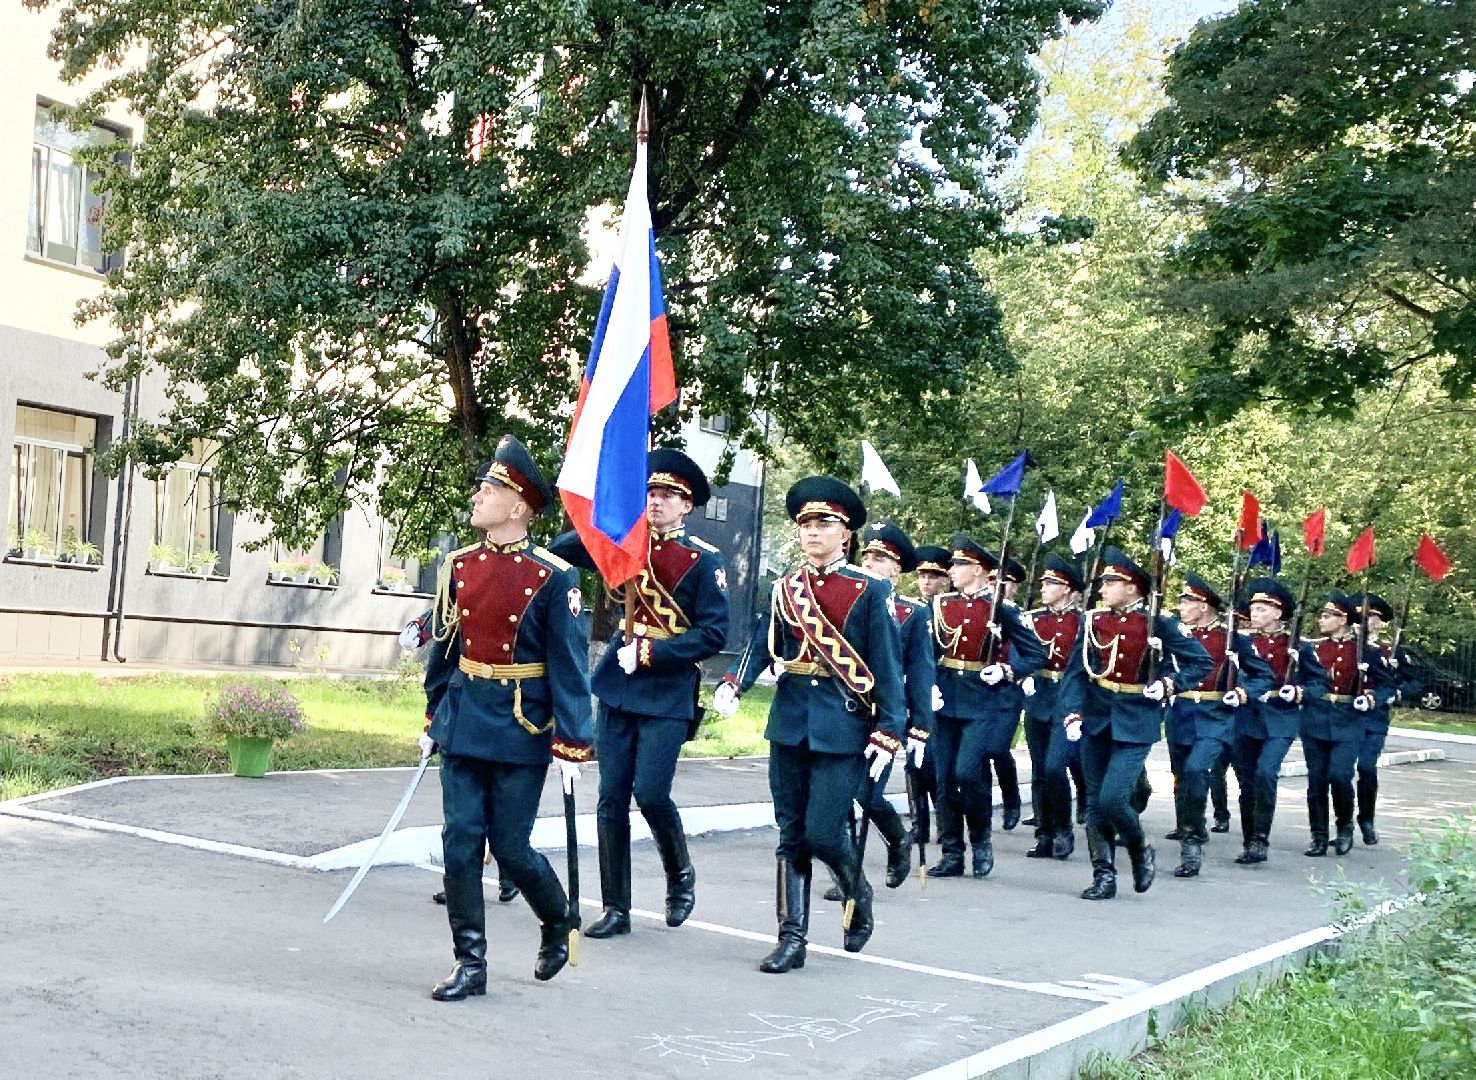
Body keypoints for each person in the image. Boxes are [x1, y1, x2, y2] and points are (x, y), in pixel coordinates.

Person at [420, 435, 592, 1001]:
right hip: (465, 717)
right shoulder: (459, 566)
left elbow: (569, 665)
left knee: (512, 849)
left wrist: (573, 741)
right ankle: (470, 963)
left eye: (489, 490)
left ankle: (558, 920)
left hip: (522, 726)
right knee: (459, 843)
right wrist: (433, 712)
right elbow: (447, 647)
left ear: (518, 507)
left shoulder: (554, 576)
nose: (478, 497)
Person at [713, 477, 906, 973]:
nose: (812, 532)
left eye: (824, 523)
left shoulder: (870, 589)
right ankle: (791, 938)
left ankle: (857, 888)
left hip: (843, 725)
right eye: (805, 525)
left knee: (822, 832)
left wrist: (890, 727)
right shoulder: (786, 589)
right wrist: (735, 683)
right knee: (791, 834)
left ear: (846, 534)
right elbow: (762, 643)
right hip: (790, 721)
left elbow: (886, 665)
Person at [550, 449, 730, 940]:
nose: (656, 501)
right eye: (650, 492)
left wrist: (652, 651)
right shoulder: (625, 544)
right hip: (619, 686)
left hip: (667, 690)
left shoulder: (703, 561)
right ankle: (616, 907)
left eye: (668, 495)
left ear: (686, 505)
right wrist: (606, 519)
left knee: (650, 794)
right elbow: (563, 548)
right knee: (610, 799)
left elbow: (714, 634)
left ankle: (680, 873)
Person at [1059, 546, 1212, 900]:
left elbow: (1201, 662)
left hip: (1136, 718)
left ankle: (1140, 847)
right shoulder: (1093, 619)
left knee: (1113, 798)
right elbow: (1076, 672)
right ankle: (1104, 875)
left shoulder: (1159, 623)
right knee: (1094, 801)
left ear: (1132, 588)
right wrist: (1072, 712)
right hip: (1097, 716)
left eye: (1110, 583)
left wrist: (1169, 684)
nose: (1102, 589)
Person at [820, 521, 938, 900]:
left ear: (896, 569)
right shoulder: (847, 598)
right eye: (868, 555)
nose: (870, 563)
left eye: (881, 558)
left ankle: (897, 839)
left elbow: (920, 673)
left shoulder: (913, 613)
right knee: (836, 794)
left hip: (883, 715)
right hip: (840, 709)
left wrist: (920, 726)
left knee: (865, 792)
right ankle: (846, 876)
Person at [926, 535, 1046, 879]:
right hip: (946, 697)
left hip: (982, 701)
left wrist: (1007, 670)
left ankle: (980, 840)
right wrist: (927, 683)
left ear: (977, 570)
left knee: (967, 772)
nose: (951, 570)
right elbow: (927, 650)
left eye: (958, 565)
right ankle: (952, 852)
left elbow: (1036, 654)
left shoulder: (1001, 609)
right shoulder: (940, 605)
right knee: (944, 779)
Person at [1163, 572, 1272, 878]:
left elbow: (1263, 675)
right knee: (1182, 778)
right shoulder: (1174, 636)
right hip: (1181, 713)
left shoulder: (1232, 638)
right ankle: (1191, 828)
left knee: (1198, 770)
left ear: (1204, 606)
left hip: (1216, 715)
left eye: (1187, 602)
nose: (1181, 607)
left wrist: (1243, 692)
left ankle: (1192, 844)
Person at [1299, 591, 1386, 857]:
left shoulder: (1364, 651)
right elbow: (1302, 679)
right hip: (1315, 720)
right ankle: (1318, 835)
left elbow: (1385, 684)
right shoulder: (1312, 649)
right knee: (1316, 781)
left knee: (1339, 776)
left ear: (1343, 619)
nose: (1321, 620)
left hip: (1349, 721)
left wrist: (1371, 698)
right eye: (1322, 615)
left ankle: (1345, 826)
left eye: (1328, 616)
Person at [1021, 554, 1085, 859]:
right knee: (1039, 770)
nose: (1043, 588)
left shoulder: (1084, 622)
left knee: (1055, 766)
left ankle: (1062, 828)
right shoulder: (1032, 619)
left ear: (1066, 589)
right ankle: (1044, 833)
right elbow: (1020, 652)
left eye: (1050, 584)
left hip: (1069, 700)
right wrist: (1021, 673)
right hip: (1040, 695)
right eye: (1044, 583)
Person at [1348, 593, 1418, 845]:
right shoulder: (1344, 647)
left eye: (1370, 617)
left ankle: (1366, 818)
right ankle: (1344, 824)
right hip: (1345, 717)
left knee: (1366, 767)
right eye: (1359, 617)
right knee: (1340, 772)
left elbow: (1414, 682)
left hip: (1374, 719)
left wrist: (1394, 694)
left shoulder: (1390, 651)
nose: (1363, 622)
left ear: (1379, 623)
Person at [906, 544, 952, 851]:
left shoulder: (951, 611)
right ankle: (918, 825)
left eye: (933, 576)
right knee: (914, 761)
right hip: (915, 693)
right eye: (922, 576)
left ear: (945, 580)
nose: (926, 582)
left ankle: (947, 825)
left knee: (936, 763)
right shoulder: (912, 610)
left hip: (944, 694)